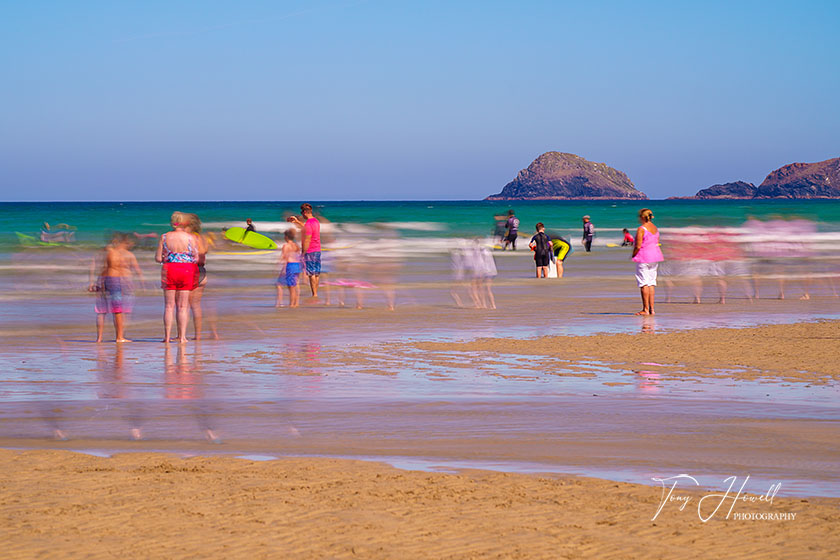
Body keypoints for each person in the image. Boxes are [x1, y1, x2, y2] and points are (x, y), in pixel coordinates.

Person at [89, 233, 143, 343]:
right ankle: (120, 337)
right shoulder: (116, 253)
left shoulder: (104, 252)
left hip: (103, 279)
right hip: (114, 280)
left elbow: (96, 265)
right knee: (118, 310)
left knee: (101, 310)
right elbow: (122, 269)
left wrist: (93, 282)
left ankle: (99, 338)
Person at [155, 211, 199, 343]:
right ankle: (182, 337)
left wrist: (166, 257)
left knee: (169, 306)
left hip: (170, 269)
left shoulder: (164, 237)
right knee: (183, 306)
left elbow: (158, 258)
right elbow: (195, 257)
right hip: (186, 270)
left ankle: (167, 337)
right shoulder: (190, 237)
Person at [185, 213, 213, 340]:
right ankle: (197, 335)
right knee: (196, 305)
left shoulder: (189, 237)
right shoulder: (202, 237)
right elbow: (204, 251)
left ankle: (182, 335)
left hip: (191, 271)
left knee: (184, 305)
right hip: (202, 271)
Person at [632, 208, 664, 315]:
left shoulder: (641, 229)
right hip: (655, 257)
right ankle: (652, 309)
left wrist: (633, 254)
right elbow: (656, 242)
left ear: (642, 217)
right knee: (651, 283)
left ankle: (645, 309)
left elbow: (638, 245)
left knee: (643, 283)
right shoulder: (655, 228)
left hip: (644, 257)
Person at [288, 204, 322, 299]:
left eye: (301, 212)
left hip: (310, 250)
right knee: (316, 273)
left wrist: (303, 253)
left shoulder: (308, 223)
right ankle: (316, 293)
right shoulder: (315, 221)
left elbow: (307, 239)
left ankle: (314, 295)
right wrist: (297, 222)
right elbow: (305, 228)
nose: (301, 214)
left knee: (311, 274)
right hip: (317, 249)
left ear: (305, 212)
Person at [276, 229, 302, 308]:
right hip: (297, 265)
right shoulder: (296, 245)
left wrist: (282, 267)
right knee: (296, 284)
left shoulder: (286, 246)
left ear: (286, 237)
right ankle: (296, 303)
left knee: (291, 286)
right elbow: (299, 256)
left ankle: (291, 304)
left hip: (290, 265)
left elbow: (285, 258)